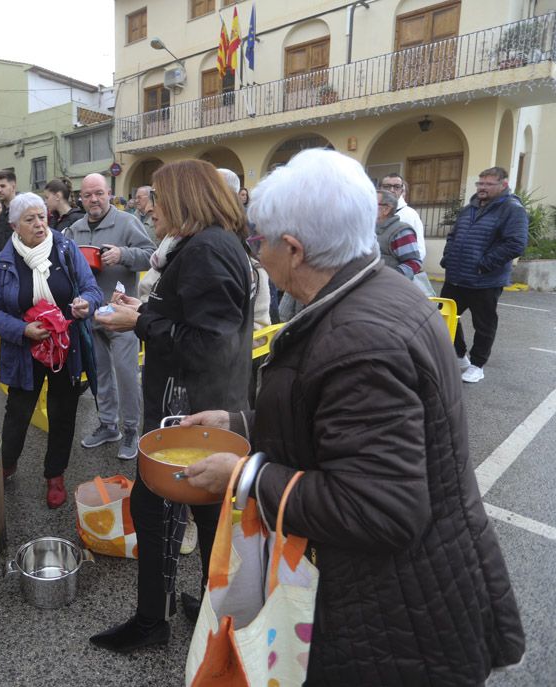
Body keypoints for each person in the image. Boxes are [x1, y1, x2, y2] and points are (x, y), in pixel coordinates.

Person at [180, 148, 524, 684]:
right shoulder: (373, 290)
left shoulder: (361, 340)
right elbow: (329, 417)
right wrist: (238, 424)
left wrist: (243, 475)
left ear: (292, 249)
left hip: (393, 618)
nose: (258, 253)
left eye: (259, 241)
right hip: (403, 594)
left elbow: (379, 507)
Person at [90, 160, 253, 652]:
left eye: (158, 199)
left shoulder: (206, 249)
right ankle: (204, 609)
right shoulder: (209, 243)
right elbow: (199, 320)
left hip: (190, 406)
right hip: (201, 400)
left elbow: (207, 345)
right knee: (204, 511)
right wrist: (148, 311)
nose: (150, 208)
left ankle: (151, 624)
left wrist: (137, 324)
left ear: (184, 200)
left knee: (156, 507)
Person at [0, 194, 103, 508]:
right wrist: (23, 330)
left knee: (64, 412)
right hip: (25, 350)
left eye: (42, 216)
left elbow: (92, 289)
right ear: (14, 226)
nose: (39, 224)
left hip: (65, 348)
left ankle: (55, 475)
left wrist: (86, 304)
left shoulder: (65, 248)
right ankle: (7, 465)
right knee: (18, 412)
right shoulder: (5, 261)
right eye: (30, 219)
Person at [66, 173, 155, 460]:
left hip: (122, 314)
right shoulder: (75, 229)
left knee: (127, 375)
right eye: (88, 194)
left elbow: (151, 255)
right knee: (100, 374)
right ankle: (108, 425)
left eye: (99, 193)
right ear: (80, 197)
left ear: (109, 194)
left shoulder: (127, 222)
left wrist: (123, 254)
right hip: (91, 314)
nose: (93, 199)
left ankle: (131, 430)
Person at [440, 166, 528, 384]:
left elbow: (516, 243)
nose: (482, 188)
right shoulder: (468, 208)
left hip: (485, 280)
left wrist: (484, 265)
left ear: (503, 185)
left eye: (488, 184)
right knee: (446, 317)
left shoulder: (512, 209)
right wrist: (448, 257)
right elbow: (453, 236)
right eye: (480, 183)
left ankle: (478, 365)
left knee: (484, 324)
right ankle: (460, 355)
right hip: (456, 276)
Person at [380, 173, 435, 296]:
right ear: (380, 188)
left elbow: (418, 252)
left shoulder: (409, 215)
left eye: (396, 186)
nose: (392, 190)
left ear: (402, 190)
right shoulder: (375, 212)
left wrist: (400, 275)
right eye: (387, 186)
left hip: (397, 281)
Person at [375, 190, 423, 280]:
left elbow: (413, 263)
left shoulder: (401, 232)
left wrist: (389, 278)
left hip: (388, 288)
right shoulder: (368, 229)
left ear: (386, 209)